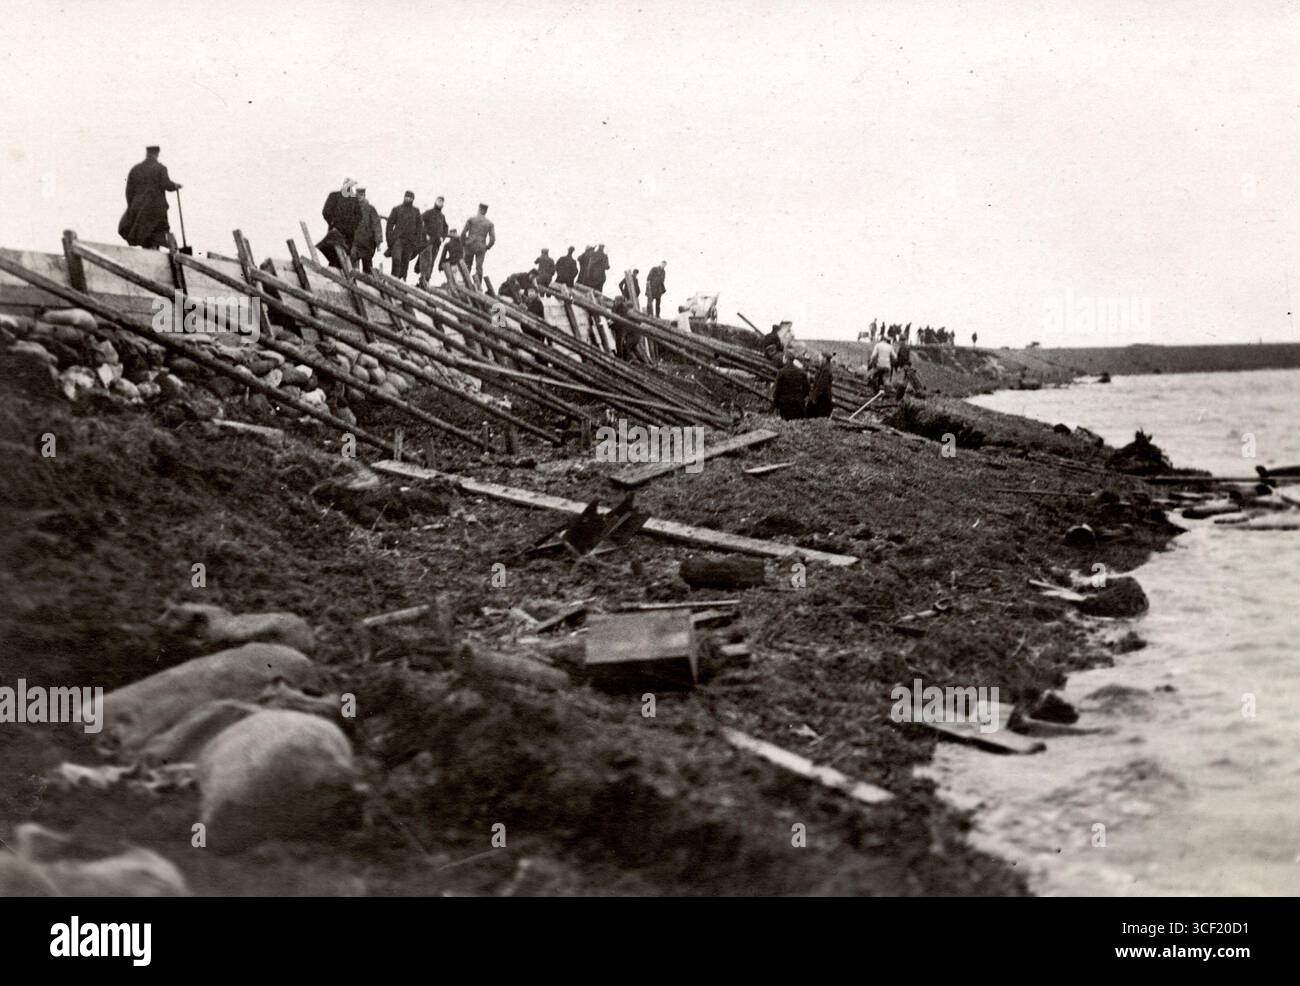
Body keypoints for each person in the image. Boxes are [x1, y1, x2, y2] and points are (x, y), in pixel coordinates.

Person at [118, 145, 181, 249]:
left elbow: (128, 191)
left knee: (145, 235)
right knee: (160, 231)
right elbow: (166, 184)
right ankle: (173, 252)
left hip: (139, 210)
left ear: (147, 153)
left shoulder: (135, 169)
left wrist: (132, 207)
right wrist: (175, 186)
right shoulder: (160, 168)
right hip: (156, 209)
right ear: (157, 154)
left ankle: (151, 253)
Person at [318, 178, 360, 267]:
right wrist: (332, 223)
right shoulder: (334, 196)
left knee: (343, 257)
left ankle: (339, 275)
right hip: (337, 231)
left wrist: (352, 227)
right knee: (335, 254)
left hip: (348, 234)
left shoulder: (354, 199)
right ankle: (333, 274)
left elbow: (359, 216)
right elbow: (326, 212)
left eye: (351, 187)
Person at [385, 190, 422, 281]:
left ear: (413, 199)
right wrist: (390, 240)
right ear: (404, 197)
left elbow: (419, 228)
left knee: (405, 264)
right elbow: (389, 225)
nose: (408, 199)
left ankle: (402, 284)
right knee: (396, 260)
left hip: (409, 242)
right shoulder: (397, 209)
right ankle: (393, 281)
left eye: (410, 197)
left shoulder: (416, 211)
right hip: (398, 240)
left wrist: (416, 243)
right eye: (406, 197)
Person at [416, 195, 449, 287]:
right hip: (427, 242)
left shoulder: (442, 216)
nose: (440, 203)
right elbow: (419, 221)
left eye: (442, 202)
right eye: (439, 201)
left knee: (432, 262)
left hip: (436, 243)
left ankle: (426, 281)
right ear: (435, 201)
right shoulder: (429, 212)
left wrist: (443, 237)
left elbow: (446, 228)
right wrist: (425, 234)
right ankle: (422, 280)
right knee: (425, 260)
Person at [350, 187, 383, 274]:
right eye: (357, 195)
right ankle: (354, 280)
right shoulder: (352, 208)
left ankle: (367, 284)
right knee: (353, 259)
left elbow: (376, 225)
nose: (359, 197)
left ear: (364, 196)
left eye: (361, 195)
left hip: (367, 243)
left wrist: (378, 241)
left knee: (367, 266)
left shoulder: (370, 209)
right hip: (355, 241)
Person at [461, 203, 496, 286]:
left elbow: (463, 233)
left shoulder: (471, 219)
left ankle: (464, 283)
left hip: (470, 245)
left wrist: (463, 243)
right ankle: (478, 286)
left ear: (479, 209)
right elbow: (493, 239)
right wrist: (487, 247)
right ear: (486, 211)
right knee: (479, 267)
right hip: (481, 247)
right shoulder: (490, 223)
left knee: (466, 265)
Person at [771, 351, 809, 420]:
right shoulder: (801, 372)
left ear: (785, 359)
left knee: (786, 424)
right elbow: (807, 389)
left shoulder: (781, 372)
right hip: (798, 403)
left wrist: (775, 404)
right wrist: (801, 397)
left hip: (785, 403)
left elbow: (777, 390)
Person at [806, 351, 834, 418]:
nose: (819, 358)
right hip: (821, 397)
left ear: (824, 358)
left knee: (814, 416)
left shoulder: (826, 370)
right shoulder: (824, 368)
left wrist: (814, 398)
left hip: (822, 399)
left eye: (820, 356)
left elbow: (821, 386)